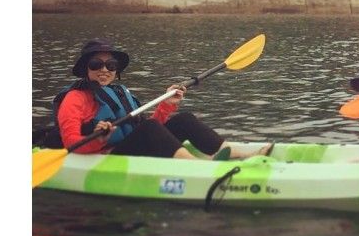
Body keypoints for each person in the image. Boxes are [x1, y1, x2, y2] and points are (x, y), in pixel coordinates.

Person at [48, 38, 272, 160]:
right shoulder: (74, 99)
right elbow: (72, 144)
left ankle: (235, 152)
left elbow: (151, 128)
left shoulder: (119, 93)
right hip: (105, 156)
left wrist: (167, 105)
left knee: (182, 119)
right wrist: (99, 138)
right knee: (149, 128)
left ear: (116, 70)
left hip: (130, 147)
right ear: (85, 69)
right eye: (96, 64)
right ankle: (197, 168)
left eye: (111, 65)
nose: (104, 70)